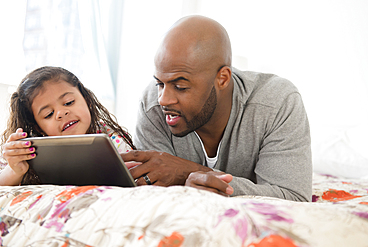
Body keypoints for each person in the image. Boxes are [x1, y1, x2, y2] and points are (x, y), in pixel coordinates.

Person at [121, 15, 312, 202]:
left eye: (180, 87)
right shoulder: (152, 105)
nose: (164, 99)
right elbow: (152, 191)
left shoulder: (276, 102)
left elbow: (293, 199)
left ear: (223, 79)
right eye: (160, 84)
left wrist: (187, 172)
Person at [0, 66, 135, 186]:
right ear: (38, 128)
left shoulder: (111, 138)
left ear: (86, 100)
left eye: (69, 102)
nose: (61, 113)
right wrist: (14, 171)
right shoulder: (30, 150)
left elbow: (134, 173)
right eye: (49, 114)